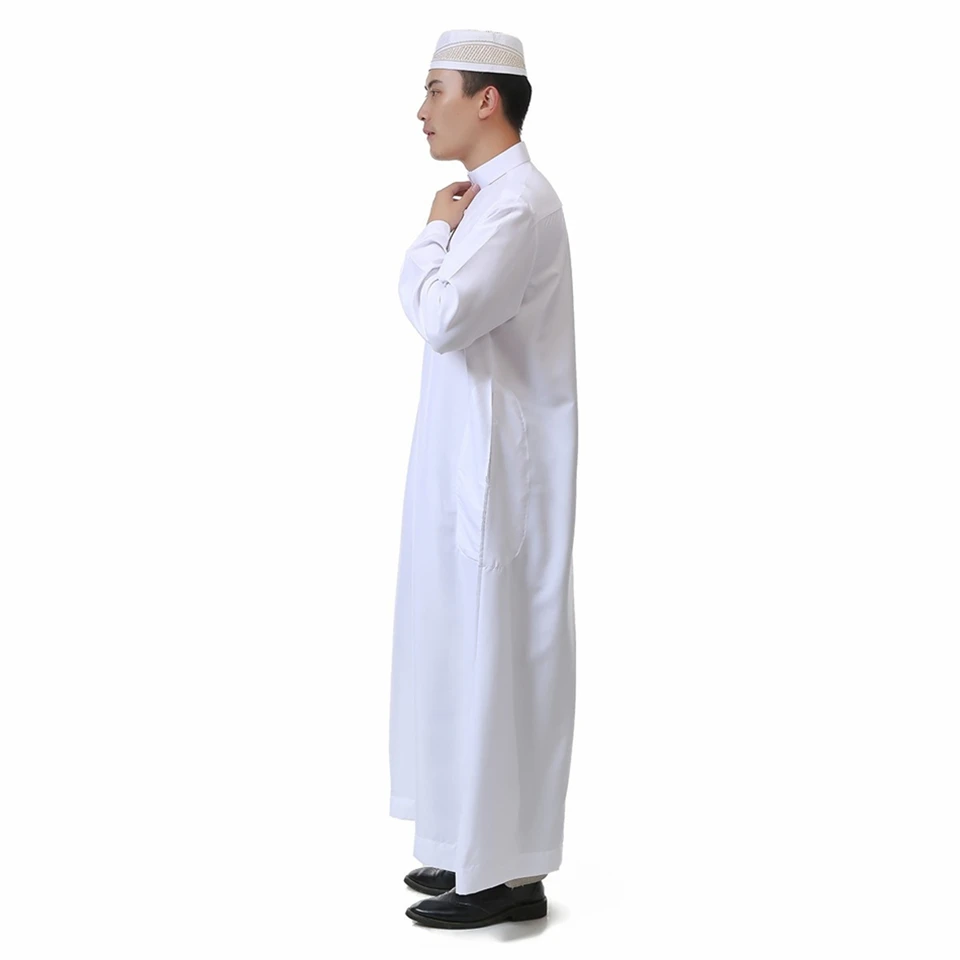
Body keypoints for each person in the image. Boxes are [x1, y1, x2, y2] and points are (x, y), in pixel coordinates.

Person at [388, 28, 578, 930]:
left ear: (486, 99)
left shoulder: (516, 207)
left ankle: (507, 873)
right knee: (456, 650)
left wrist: (430, 233)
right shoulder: (490, 201)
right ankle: (470, 846)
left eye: (436, 89)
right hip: (465, 467)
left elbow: (445, 316)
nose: (422, 110)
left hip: (501, 478)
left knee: (498, 656)